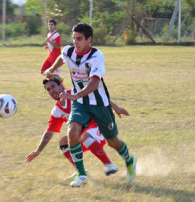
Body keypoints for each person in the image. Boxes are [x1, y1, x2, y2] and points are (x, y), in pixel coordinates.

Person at [44, 23, 137, 187]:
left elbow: (94, 84)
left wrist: (74, 95)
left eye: (79, 39)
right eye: (74, 38)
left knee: (113, 142)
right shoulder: (69, 51)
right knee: (72, 131)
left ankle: (129, 160)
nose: (75, 42)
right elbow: (62, 57)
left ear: (89, 39)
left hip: (99, 104)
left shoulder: (96, 56)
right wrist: (52, 68)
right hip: (80, 104)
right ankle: (81, 175)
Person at [26, 78, 130, 181]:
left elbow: (98, 97)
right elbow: (49, 132)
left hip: (98, 124)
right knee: (63, 142)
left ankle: (109, 164)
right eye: (48, 89)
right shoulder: (57, 110)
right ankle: (81, 171)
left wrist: (117, 108)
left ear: (61, 86)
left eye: (53, 86)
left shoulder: (74, 93)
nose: (51, 91)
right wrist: (38, 150)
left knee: (98, 139)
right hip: (86, 135)